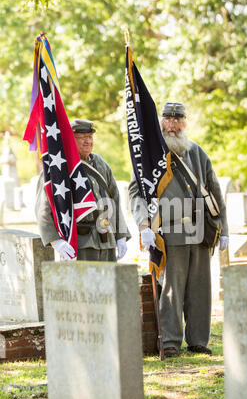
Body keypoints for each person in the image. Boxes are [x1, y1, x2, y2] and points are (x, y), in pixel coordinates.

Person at [128, 102, 229, 357]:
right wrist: (143, 225)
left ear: (185, 122)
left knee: (200, 290)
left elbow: (215, 191)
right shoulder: (150, 154)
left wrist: (224, 229)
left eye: (177, 120)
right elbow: (136, 193)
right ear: (161, 122)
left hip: (201, 231)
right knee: (172, 289)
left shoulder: (197, 152)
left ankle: (198, 341)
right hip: (169, 232)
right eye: (168, 120)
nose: (173, 125)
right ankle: (171, 342)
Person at [36, 118, 130, 261]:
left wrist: (121, 235)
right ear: (71, 139)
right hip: (80, 244)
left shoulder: (100, 163)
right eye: (82, 137)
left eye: (90, 137)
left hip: (106, 241)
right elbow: (43, 208)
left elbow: (115, 200)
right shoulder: (58, 166)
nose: (88, 141)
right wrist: (55, 240)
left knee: (109, 283)